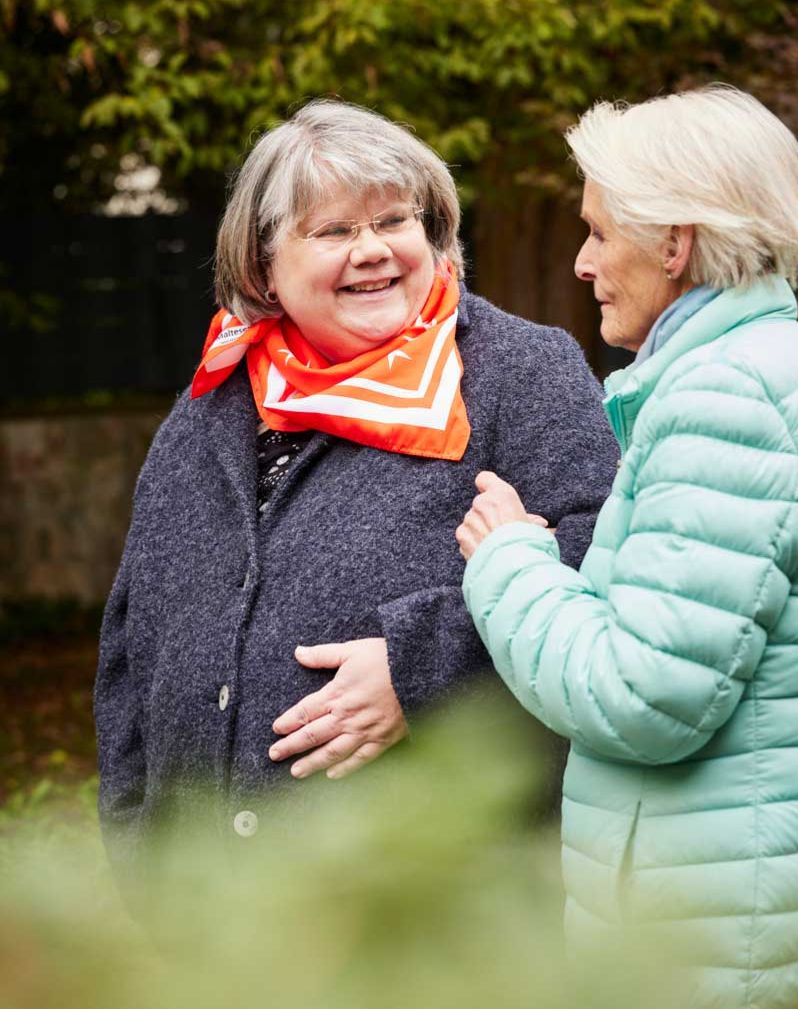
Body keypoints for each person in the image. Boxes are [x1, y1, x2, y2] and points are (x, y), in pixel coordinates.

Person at [94, 100, 617, 871]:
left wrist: (421, 665)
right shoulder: (212, 401)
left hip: (439, 905)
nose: (372, 250)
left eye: (394, 221)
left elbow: (604, 559)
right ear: (263, 267)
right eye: (335, 231)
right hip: (210, 914)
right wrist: (139, 853)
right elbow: (132, 639)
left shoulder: (520, 372)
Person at [457, 85, 798, 1007]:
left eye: (600, 232)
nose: (582, 262)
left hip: (713, 947)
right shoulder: (761, 371)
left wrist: (508, 561)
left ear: (675, 244)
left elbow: (646, 695)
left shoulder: (725, 398)